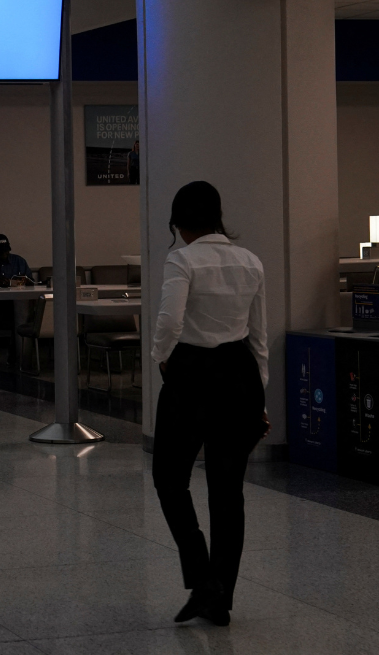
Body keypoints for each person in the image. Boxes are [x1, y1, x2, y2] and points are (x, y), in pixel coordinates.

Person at [151, 181, 270, 627]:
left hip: (192, 375)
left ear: (179, 224)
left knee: (169, 478)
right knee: (227, 493)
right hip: (239, 377)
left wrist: (161, 358)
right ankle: (220, 598)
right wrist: (258, 394)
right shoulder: (250, 261)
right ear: (219, 218)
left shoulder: (182, 259)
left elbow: (169, 318)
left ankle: (203, 579)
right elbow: (258, 336)